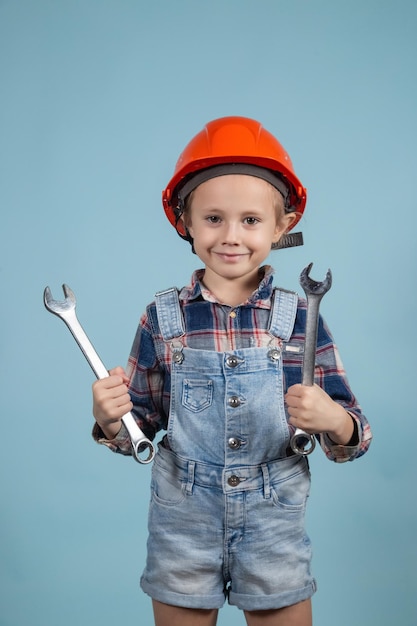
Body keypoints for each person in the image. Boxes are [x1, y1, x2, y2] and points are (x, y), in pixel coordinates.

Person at [91, 116, 372, 626]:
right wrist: (111, 419)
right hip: (182, 520)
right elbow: (140, 427)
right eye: (214, 218)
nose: (231, 236)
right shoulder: (164, 317)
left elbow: (353, 433)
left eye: (250, 220)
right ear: (186, 222)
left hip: (273, 521)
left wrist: (332, 419)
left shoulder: (301, 317)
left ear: (282, 226)